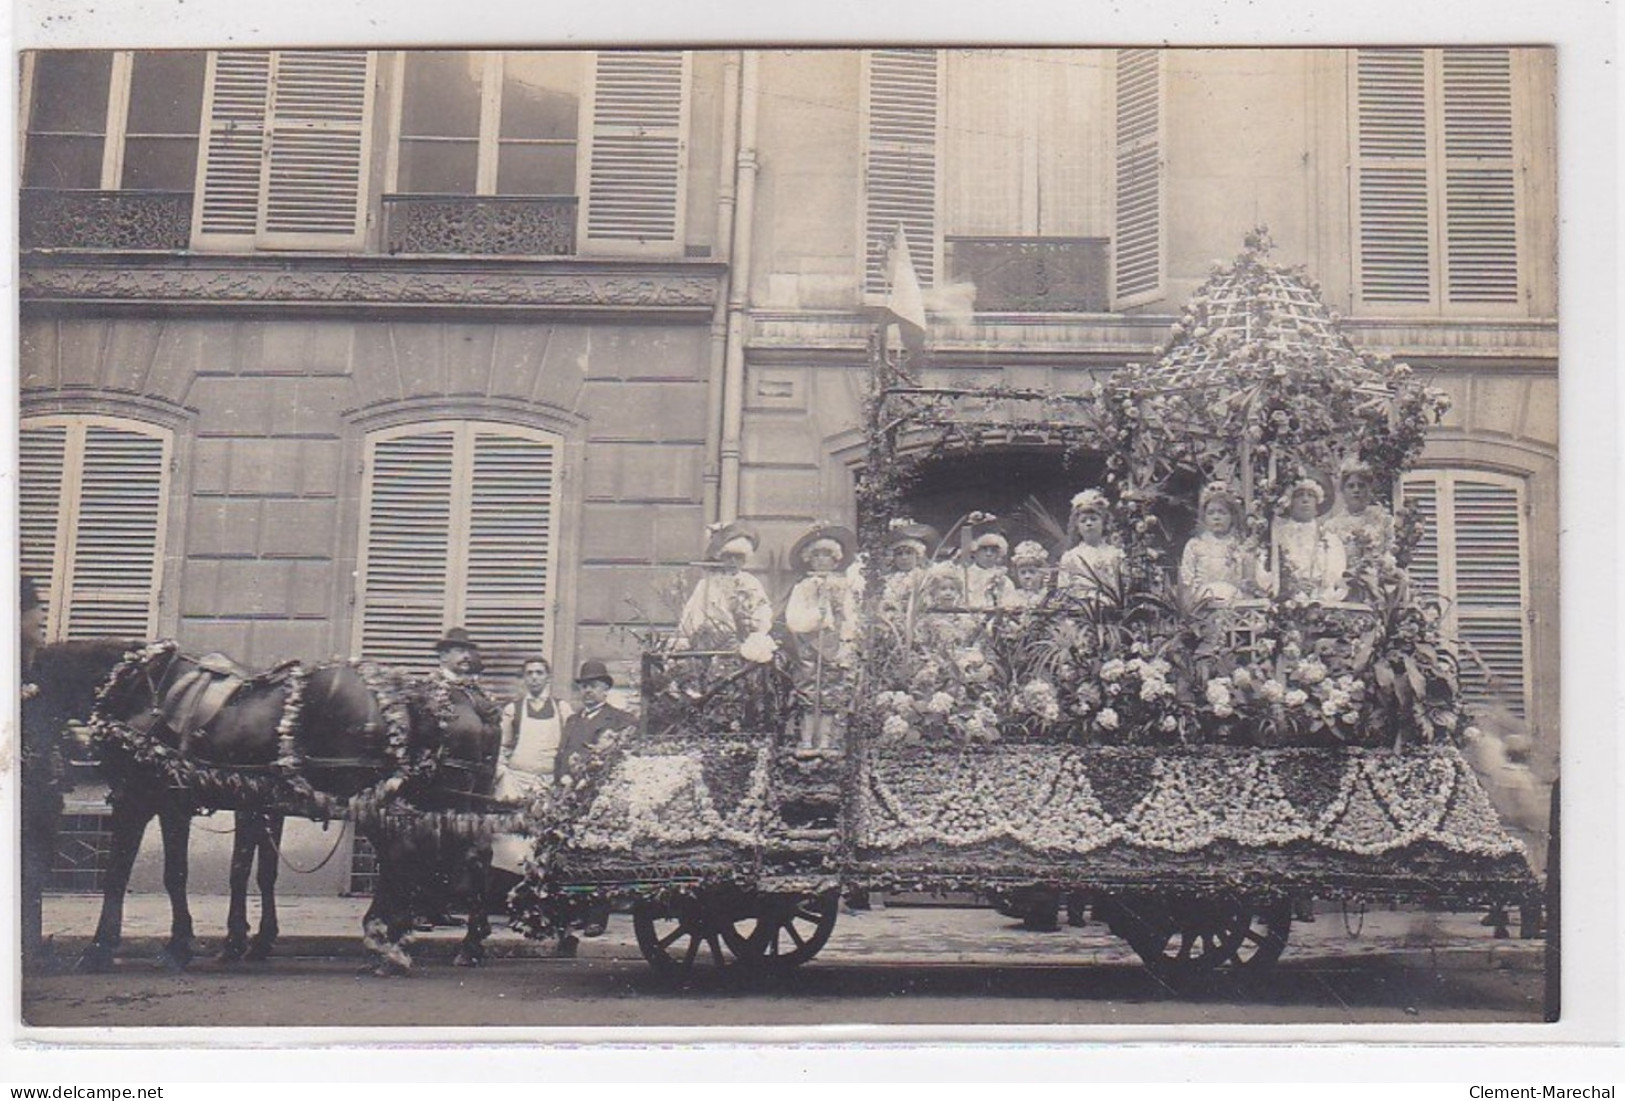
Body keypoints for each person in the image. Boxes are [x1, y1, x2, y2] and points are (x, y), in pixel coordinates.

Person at [554, 660, 636, 946]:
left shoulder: (621, 720)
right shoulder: (573, 720)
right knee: (573, 853)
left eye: (594, 686)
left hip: (600, 797)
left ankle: (597, 915)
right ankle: (576, 911)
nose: (588, 691)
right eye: (584, 686)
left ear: (606, 689)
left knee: (598, 855)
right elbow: (561, 755)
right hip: (570, 795)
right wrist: (561, 781)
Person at [20, 575, 67, 973]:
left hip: (39, 790)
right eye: (34, 616)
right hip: (17, 790)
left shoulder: (38, 671)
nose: (40, 623)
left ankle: (29, 945)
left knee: (34, 869)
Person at [784, 523, 859, 751]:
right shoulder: (803, 587)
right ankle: (806, 739)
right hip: (808, 644)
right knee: (808, 690)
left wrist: (847, 639)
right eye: (816, 555)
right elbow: (793, 618)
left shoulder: (842, 587)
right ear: (809, 558)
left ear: (836, 559)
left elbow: (850, 616)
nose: (821, 560)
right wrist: (817, 617)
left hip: (833, 645)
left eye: (827, 555)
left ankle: (826, 739)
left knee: (830, 690)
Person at [677, 522, 773, 653]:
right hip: (711, 645)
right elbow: (692, 616)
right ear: (720, 557)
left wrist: (755, 631)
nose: (733, 562)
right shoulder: (707, 584)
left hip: (742, 644)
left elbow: (762, 612)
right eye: (728, 556)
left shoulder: (750, 583)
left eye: (738, 557)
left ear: (745, 559)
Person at [496, 656, 573, 802]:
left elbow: (571, 745)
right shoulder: (513, 709)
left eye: (539, 673)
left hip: (551, 784)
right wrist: (503, 774)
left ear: (548, 678)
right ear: (524, 678)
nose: (534, 677)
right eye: (529, 673)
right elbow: (502, 746)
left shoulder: (562, 708)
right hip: (517, 783)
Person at [1324, 457, 1395, 601]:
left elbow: (1390, 551)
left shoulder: (1383, 519)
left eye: (1361, 486)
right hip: (1345, 588)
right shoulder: (1331, 526)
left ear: (1369, 489)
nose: (1356, 490)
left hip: (1379, 585)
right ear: (1343, 491)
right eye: (1350, 486)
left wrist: (1383, 565)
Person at [1270, 478, 1349, 603]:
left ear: (1317, 504)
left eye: (1311, 496)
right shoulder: (1276, 536)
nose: (1305, 500)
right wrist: (1290, 586)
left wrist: (1320, 588)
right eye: (1299, 496)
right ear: (1290, 503)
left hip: (1320, 599)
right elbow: (1268, 570)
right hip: (1284, 600)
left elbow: (1337, 575)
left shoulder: (1330, 539)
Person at [1179, 480, 1255, 604]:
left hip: (1234, 604)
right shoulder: (1195, 545)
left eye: (1222, 513)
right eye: (1211, 513)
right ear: (1204, 517)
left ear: (1232, 517)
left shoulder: (1241, 545)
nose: (1216, 517)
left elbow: (1247, 582)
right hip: (1202, 604)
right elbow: (1187, 581)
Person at [1057, 489, 1124, 599]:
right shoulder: (1070, 557)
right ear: (1077, 527)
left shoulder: (1115, 554)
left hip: (1111, 608)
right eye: (1083, 521)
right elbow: (1064, 589)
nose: (1089, 523)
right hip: (1080, 610)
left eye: (1094, 519)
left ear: (1104, 523)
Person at [963, 532, 1016, 611]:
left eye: (993, 550)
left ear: (999, 554)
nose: (989, 554)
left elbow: (1009, 604)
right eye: (984, 549)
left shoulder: (1003, 580)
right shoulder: (964, 575)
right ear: (975, 552)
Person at [1001, 540, 1052, 611]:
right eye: (1023, 572)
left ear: (1042, 573)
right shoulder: (1012, 598)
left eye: (1032, 572)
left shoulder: (1049, 597)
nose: (1027, 576)